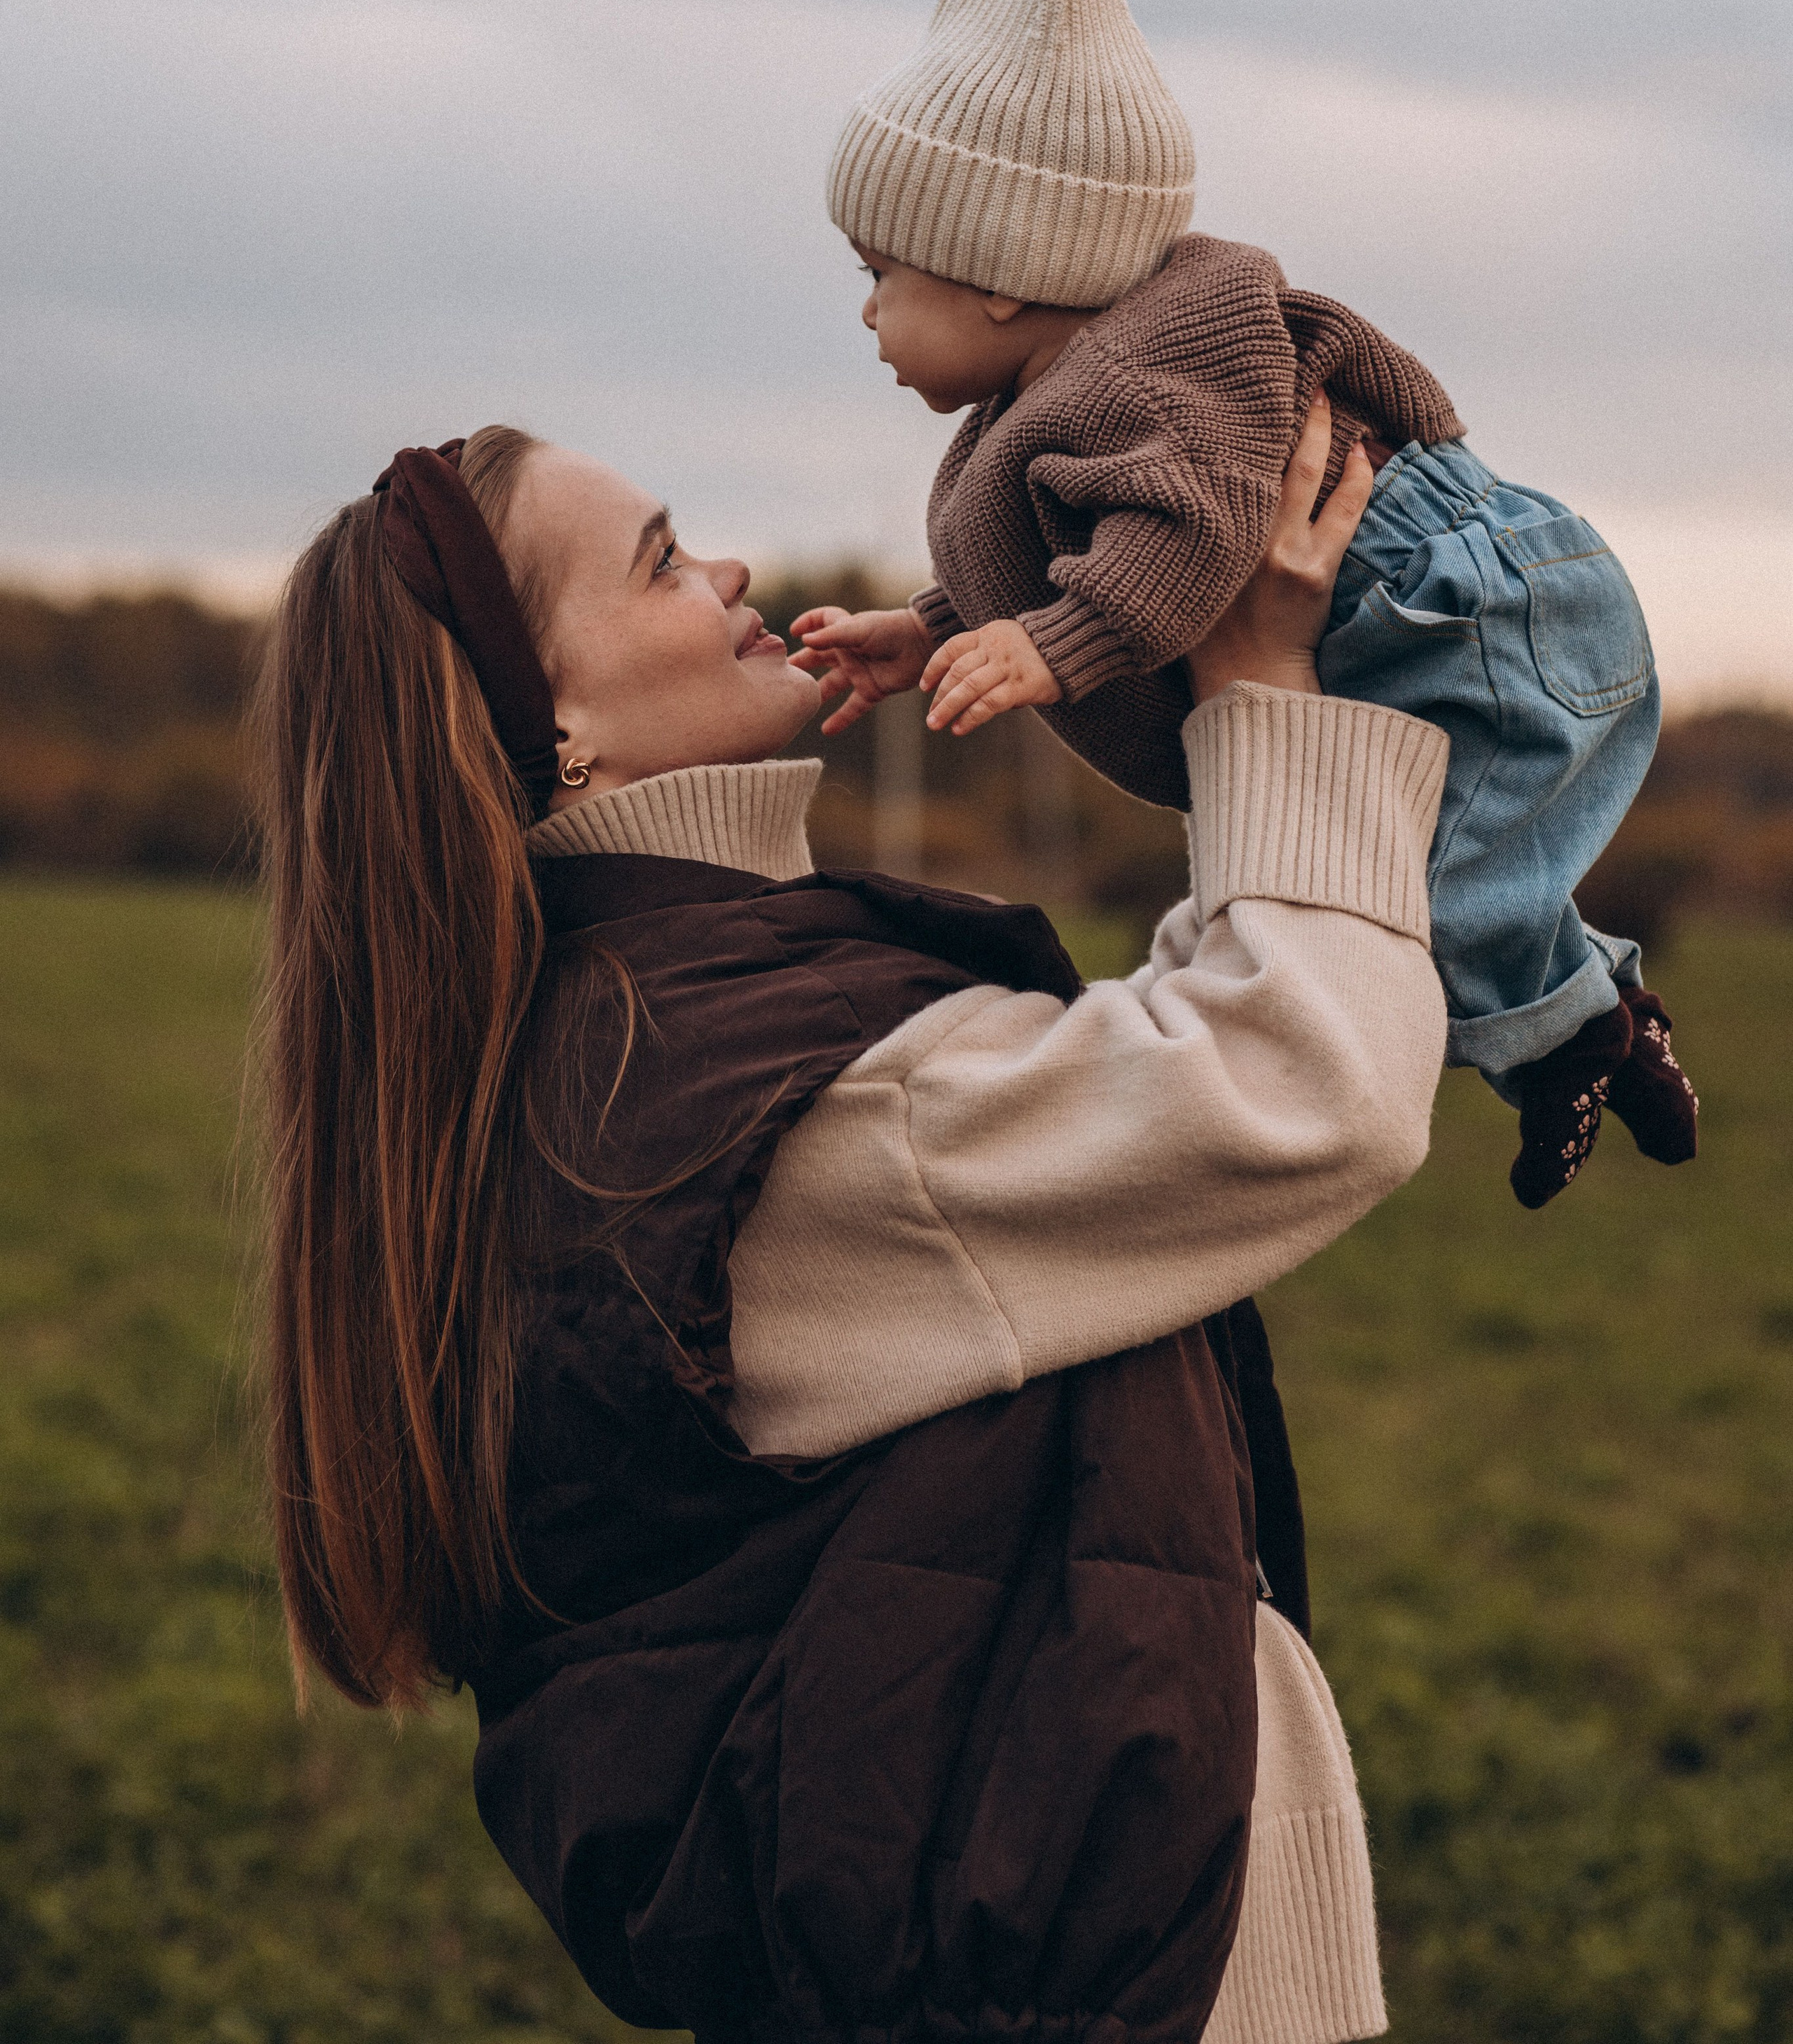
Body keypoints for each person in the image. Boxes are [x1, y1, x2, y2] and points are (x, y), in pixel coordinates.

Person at [253, 405, 1447, 2044]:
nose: (730, 568)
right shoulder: (755, 1106)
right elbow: (1307, 1082)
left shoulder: (609, 1047)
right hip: (1106, 1970)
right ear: (561, 720)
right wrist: (1255, 682)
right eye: (663, 561)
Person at [803, 0, 1697, 1209]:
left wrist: (1055, 648)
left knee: (1384, 917)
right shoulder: (1071, 388)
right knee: (1417, 880)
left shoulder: (1142, 366)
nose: (864, 316)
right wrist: (927, 626)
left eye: (880, 275)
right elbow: (1085, 540)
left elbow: (1189, 524)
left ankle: (1577, 1041)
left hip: (1464, 612)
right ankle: (1605, 1030)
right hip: (1455, 603)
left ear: (997, 274)